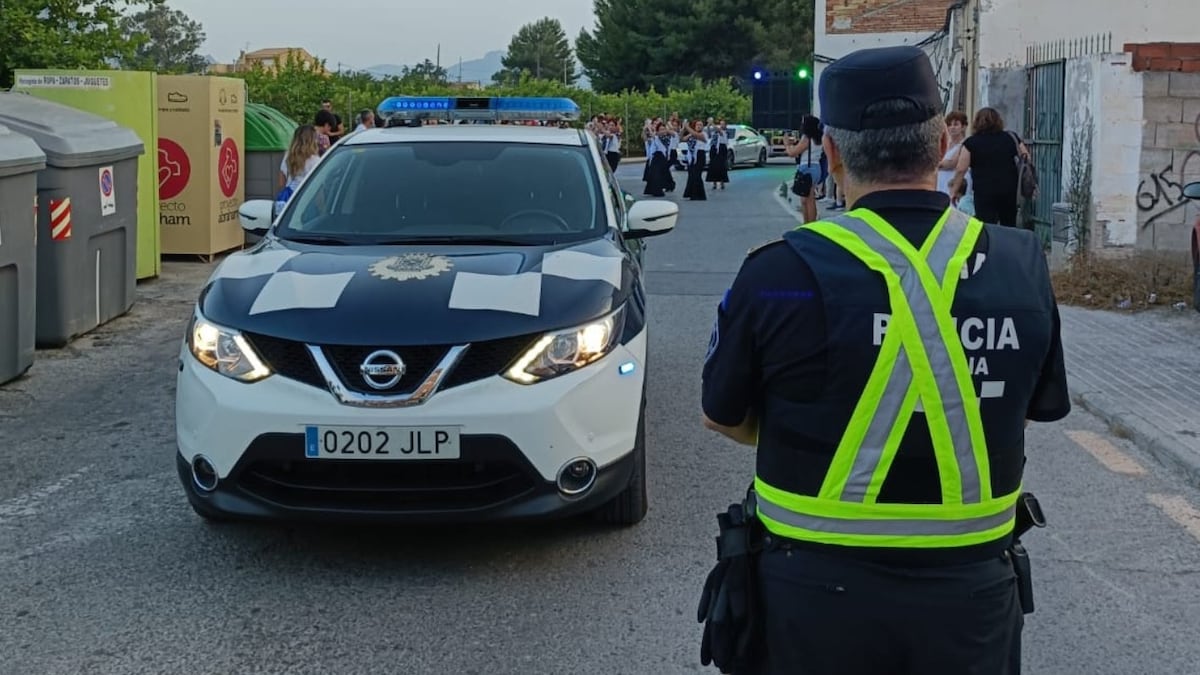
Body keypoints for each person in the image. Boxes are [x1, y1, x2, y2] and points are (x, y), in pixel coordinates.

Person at [700, 45, 1070, 675]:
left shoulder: (779, 273)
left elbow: (722, 415)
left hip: (809, 601)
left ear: (832, 153)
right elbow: (1032, 408)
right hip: (970, 604)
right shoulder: (1020, 264)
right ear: (940, 143)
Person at [950, 107, 1030, 227]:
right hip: (1009, 190)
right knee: (1008, 225)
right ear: (998, 121)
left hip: (983, 192)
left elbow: (961, 169)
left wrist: (954, 191)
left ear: (976, 122)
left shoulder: (971, 143)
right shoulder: (1011, 137)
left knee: (985, 226)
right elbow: (1026, 157)